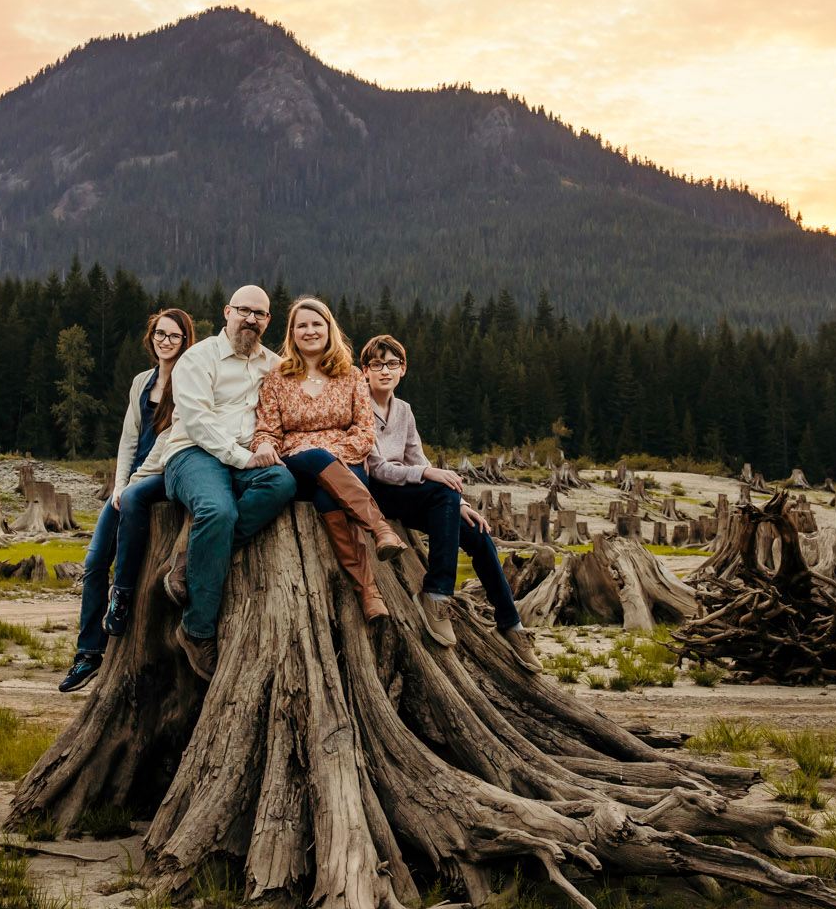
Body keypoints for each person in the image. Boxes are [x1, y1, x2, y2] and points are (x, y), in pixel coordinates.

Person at [125, 284, 297, 679]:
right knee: (216, 510)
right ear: (227, 312)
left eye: (259, 314)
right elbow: (199, 423)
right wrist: (243, 457)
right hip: (193, 454)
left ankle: (193, 562)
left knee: (282, 484)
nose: (250, 319)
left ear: (268, 321)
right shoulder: (196, 359)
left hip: (245, 457)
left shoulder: (273, 364)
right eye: (244, 311)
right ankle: (197, 628)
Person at [361, 334, 542, 670]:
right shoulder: (358, 405)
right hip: (377, 493)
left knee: (476, 532)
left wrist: (460, 504)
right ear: (365, 371)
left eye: (392, 364)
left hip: (408, 491)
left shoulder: (404, 410)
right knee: (442, 488)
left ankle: (511, 624)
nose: (384, 370)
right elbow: (377, 468)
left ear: (403, 370)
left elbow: (418, 457)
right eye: (376, 364)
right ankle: (437, 593)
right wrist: (430, 478)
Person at [252, 297, 411, 624]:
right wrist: (266, 446)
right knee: (313, 456)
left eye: (316, 324)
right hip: (298, 466)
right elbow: (266, 430)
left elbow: (366, 432)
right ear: (292, 333)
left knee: (330, 495)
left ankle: (369, 594)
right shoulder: (277, 377)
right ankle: (380, 528)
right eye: (302, 326)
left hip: (345, 466)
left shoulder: (351, 376)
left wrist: (331, 453)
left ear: (329, 330)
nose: (310, 331)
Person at [60, 308, 194, 693]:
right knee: (93, 559)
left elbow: (169, 441)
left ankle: (122, 595)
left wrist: (132, 483)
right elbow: (128, 439)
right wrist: (118, 483)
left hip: (164, 474)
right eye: (159, 334)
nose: (165, 341)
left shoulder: (189, 381)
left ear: (186, 341)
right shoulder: (141, 382)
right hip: (131, 480)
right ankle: (88, 653)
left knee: (133, 502)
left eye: (174, 336)